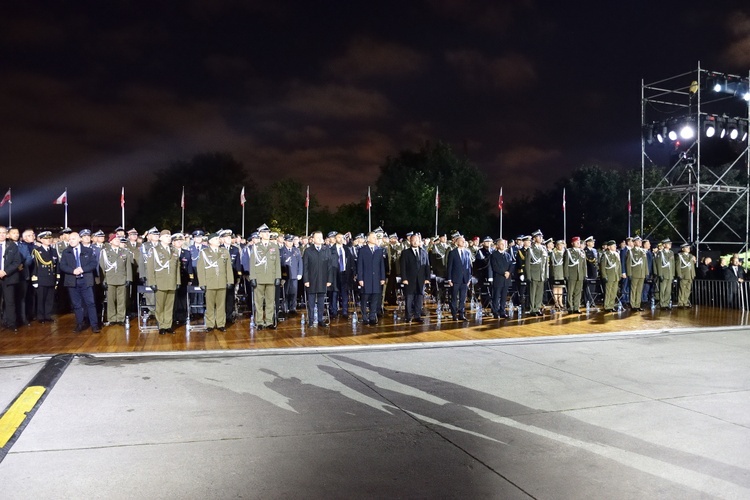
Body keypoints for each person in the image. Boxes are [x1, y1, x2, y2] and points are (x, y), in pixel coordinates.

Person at [58, 231, 100, 332]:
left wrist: (83, 269)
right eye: (69, 240)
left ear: (79, 239)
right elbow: (62, 265)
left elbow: (93, 263)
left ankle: (94, 325)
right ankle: (79, 324)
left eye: (73, 239)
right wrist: (72, 271)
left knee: (90, 303)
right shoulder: (66, 252)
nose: (70, 241)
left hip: (85, 280)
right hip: (72, 281)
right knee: (76, 304)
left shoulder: (88, 251)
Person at [197, 232, 233, 331]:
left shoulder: (224, 252)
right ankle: (210, 324)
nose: (219, 240)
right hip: (210, 282)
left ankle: (221, 324)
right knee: (210, 305)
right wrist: (202, 283)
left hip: (221, 281)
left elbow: (228, 268)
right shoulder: (204, 252)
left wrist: (230, 280)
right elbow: (200, 269)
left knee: (221, 305)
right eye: (216, 239)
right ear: (210, 241)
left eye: (218, 239)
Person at [248, 224, 282, 329]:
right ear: (260, 234)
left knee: (270, 301)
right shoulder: (256, 247)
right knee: (258, 302)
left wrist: (278, 277)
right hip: (259, 277)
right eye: (265, 233)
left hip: (271, 277)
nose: (267, 234)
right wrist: (252, 277)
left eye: (268, 233)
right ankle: (259, 322)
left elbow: (277, 263)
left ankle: (269, 321)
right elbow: (252, 263)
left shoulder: (274, 246)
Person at [147, 229, 180, 334]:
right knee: (160, 305)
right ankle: (161, 325)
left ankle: (168, 325)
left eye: (169, 236)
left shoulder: (174, 251)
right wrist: (152, 282)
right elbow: (150, 267)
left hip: (171, 281)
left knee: (169, 305)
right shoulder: (154, 250)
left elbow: (177, 268)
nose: (169, 238)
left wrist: (178, 281)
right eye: (166, 236)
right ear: (160, 238)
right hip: (160, 281)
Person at [99, 235, 133, 325]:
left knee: (122, 300)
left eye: (118, 239)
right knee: (111, 300)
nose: (118, 241)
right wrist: (103, 280)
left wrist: (129, 278)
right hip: (110, 279)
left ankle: (121, 318)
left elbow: (128, 266)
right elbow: (102, 267)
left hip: (122, 278)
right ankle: (112, 318)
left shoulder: (124, 251)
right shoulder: (105, 252)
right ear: (110, 242)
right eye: (115, 239)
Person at [302, 230, 333, 327]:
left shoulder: (326, 250)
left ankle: (320, 320)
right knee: (311, 302)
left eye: (321, 237)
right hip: (311, 280)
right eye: (318, 237)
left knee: (321, 301)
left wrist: (329, 280)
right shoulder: (308, 251)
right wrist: (306, 280)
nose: (320, 239)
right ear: (313, 239)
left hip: (323, 280)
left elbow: (330, 267)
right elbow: (305, 267)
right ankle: (311, 320)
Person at [400, 233, 431, 323]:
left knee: (419, 298)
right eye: (413, 240)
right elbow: (403, 267)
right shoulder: (405, 253)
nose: (415, 242)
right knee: (409, 298)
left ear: (419, 241)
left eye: (417, 240)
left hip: (421, 280)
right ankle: (408, 316)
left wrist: (427, 278)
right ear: (410, 241)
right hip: (409, 280)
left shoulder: (424, 252)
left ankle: (417, 315)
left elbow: (427, 266)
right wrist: (404, 278)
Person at [357, 231, 386, 326]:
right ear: (368, 239)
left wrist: (382, 278)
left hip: (377, 279)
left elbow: (382, 265)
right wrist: (360, 278)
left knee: (375, 298)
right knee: (365, 298)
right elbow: (360, 265)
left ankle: (372, 317)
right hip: (366, 278)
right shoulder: (362, 250)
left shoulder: (379, 250)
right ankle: (364, 317)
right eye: (373, 237)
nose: (375, 239)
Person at [0, 225, 23, 331]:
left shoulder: (12, 246)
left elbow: (17, 261)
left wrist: (5, 271)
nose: (2, 235)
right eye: (0, 233)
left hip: (9, 277)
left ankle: (11, 323)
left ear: (7, 234)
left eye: (4, 233)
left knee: (10, 301)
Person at [32, 231, 58, 323]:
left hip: (51, 278)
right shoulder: (37, 251)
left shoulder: (53, 251)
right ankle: (40, 316)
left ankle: (48, 315)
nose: (49, 240)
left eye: (50, 238)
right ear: (41, 240)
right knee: (41, 299)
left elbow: (56, 265)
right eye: (46, 238)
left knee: (49, 299)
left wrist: (57, 278)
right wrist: (35, 279)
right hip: (41, 278)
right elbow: (35, 266)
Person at [446, 235, 472, 321]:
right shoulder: (452, 253)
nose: (463, 242)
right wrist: (449, 279)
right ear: (457, 243)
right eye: (461, 241)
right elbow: (449, 267)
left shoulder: (467, 252)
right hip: (455, 279)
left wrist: (469, 278)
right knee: (454, 297)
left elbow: (469, 267)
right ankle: (454, 314)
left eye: (464, 241)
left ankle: (461, 314)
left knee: (462, 298)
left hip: (465, 280)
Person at [489, 238, 514, 319]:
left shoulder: (507, 255)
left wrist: (509, 272)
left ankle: (502, 311)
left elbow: (511, 264)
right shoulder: (494, 255)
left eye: (504, 244)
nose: (504, 246)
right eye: (502, 244)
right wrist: (503, 273)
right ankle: (495, 311)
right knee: (496, 296)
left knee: (504, 296)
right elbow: (495, 267)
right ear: (498, 245)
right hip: (498, 278)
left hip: (506, 279)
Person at [525, 230, 548, 316]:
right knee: (533, 292)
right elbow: (527, 264)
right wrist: (528, 275)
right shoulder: (530, 249)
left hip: (541, 274)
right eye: (539, 237)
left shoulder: (544, 248)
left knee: (539, 293)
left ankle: (537, 308)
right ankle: (532, 309)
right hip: (533, 274)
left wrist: (546, 274)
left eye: (541, 237)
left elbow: (545, 264)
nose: (541, 238)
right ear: (534, 238)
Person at [279, 234, 303, 315]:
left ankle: (293, 308)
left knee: (294, 292)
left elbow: (300, 262)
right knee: (285, 292)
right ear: (285, 241)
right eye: (289, 241)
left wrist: (300, 273)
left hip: (294, 275)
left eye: (291, 241)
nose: (290, 243)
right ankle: (284, 307)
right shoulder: (281, 251)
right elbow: (279, 264)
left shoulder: (296, 250)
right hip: (285, 276)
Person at [563, 236, 586, 314]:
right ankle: (570, 307)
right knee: (570, 291)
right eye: (577, 242)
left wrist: (584, 274)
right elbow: (566, 264)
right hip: (571, 274)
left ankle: (576, 307)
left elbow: (584, 265)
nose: (578, 243)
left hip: (580, 274)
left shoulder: (582, 252)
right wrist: (566, 275)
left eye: (579, 242)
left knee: (578, 292)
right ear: (572, 243)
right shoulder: (569, 251)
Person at [626, 236, 647, 311]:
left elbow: (645, 264)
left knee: (639, 290)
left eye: (640, 241)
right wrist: (629, 274)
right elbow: (628, 263)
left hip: (642, 273)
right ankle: (633, 305)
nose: (640, 242)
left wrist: (646, 273)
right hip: (634, 273)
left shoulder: (643, 251)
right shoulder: (631, 251)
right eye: (638, 241)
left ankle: (638, 305)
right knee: (633, 290)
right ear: (634, 242)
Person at [599, 240, 621, 312]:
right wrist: (604, 276)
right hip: (609, 276)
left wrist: (619, 275)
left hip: (615, 276)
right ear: (609, 247)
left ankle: (611, 305)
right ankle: (607, 306)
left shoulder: (616, 254)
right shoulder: (605, 255)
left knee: (614, 292)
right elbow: (602, 266)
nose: (615, 247)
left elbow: (619, 266)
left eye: (615, 245)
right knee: (608, 292)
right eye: (613, 246)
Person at [654, 238, 675, 309]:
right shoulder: (660, 253)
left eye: (670, 243)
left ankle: (666, 303)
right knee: (662, 290)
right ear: (664, 245)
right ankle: (662, 304)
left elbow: (672, 265)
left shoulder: (671, 253)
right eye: (668, 243)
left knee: (668, 290)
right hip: (663, 274)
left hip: (669, 274)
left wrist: (673, 274)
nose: (670, 245)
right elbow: (659, 264)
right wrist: (660, 274)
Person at [675, 243, 696, 308]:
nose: (688, 249)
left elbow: (692, 266)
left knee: (688, 289)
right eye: (687, 247)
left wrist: (693, 274)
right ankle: (681, 303)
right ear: (683, 249)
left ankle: (685, 302)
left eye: (689, 247)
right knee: (682, 289)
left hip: (690, 275)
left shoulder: (691, 256)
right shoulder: (680, 256)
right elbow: (678, 266)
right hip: (683, 275)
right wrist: (679, 274)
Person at [549, 239, 566, 311]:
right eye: (560, 245)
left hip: (562, 272)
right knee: (556, 287)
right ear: (557, 245)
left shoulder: (564, 253)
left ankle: (560, 302)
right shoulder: (554, 253)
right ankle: (556, 302)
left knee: (561, 287)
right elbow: (553, 263)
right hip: (556, 271)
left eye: (562, 245)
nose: (561, 246)